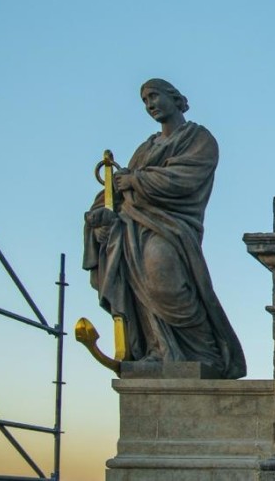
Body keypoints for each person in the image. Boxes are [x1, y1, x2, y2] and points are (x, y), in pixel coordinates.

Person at [82, 78, 246, 377]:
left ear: (175, 98)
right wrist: (101, 215)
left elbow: (185, 178)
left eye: (154, 96)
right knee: (141, 290)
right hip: (133, 227)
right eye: (145, 101)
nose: (150, 104)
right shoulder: (146, 147)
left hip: (173, 227)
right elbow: (115, 192)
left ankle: (204, 352)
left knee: (165, 281)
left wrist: (136, 180)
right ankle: (158, 350)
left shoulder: (198, 138)